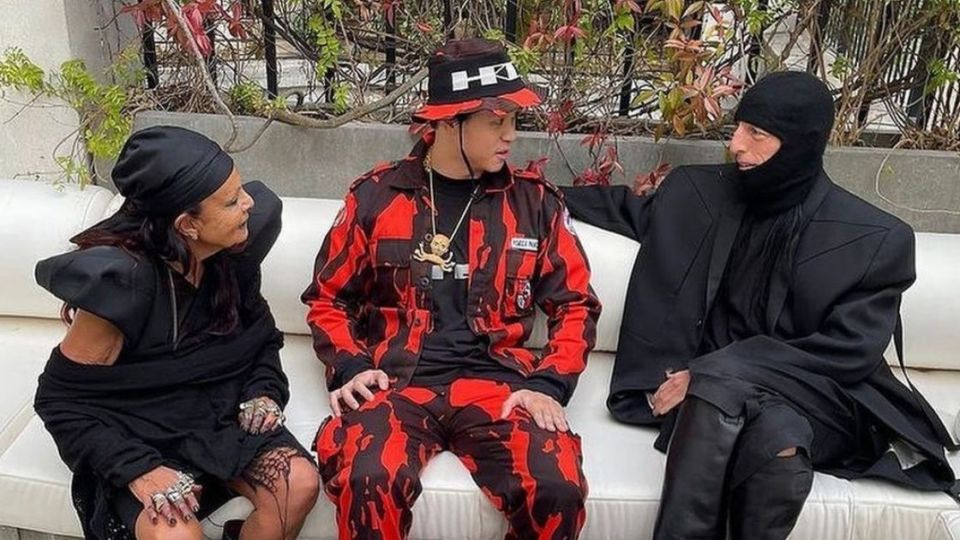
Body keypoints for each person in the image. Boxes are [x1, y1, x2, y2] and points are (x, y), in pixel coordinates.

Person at [562, 71, 959, 540]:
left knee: (722, 389)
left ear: (800, 144)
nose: (736, 146)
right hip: (733, 410)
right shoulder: (695, 194)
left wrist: (712, 369)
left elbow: (847, 353)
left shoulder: (874, 239)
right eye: (738, 128)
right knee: (775, 439)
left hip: (824, 400)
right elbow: (622, 209)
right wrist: (520, 189)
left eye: (756, 134)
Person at [302, 38, 601, 540]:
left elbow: (575, 304)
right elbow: (328, 298)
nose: (510, 135)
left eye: (514, 120)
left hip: (500, 384)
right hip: (397, 382)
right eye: (495, 121)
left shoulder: (534, 203)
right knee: (368, 477)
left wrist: (548, 384)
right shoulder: (376, 197)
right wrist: (350, 366)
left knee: (558, 487)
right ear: (448, 122)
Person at [33, 126, 319, 540]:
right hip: (137, 431)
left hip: (217, 413)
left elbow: (260, 340)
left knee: (298, 484)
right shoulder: (125, 285)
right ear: (187, 225)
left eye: (242, 190)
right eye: (232, 201)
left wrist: (264, 390)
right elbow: (59, 401)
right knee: (173, 533)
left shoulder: (233, 254)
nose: (249, 204)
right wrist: (139, 470)